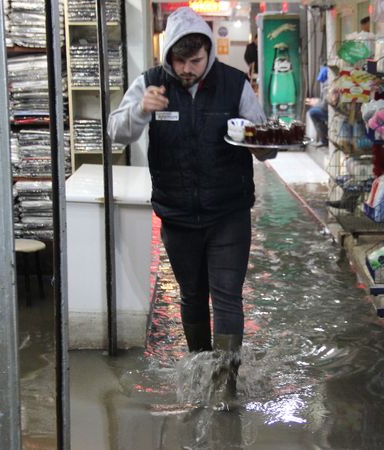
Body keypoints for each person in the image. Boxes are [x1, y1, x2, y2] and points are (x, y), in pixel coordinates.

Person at [108, 7, 273, 403]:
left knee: (228, 295)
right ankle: (201, 370)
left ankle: (225, 386)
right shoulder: (151, 83)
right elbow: (116, 132)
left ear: (208, 53)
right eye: (179, 61)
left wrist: (262, 145)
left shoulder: (234, 84)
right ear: (168, 55)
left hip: (228, 211)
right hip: (178, 214)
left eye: (195, 61)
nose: (186, 69)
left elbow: (265, 142)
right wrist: (140, 109)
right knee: (192, 295)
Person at [305, 65, 329, 147]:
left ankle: (324, 140)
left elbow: (325, 106)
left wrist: (315, 103)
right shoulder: (328, 83)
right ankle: (324, 138)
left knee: (313, 112)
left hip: (332, 112)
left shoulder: (327, 86)